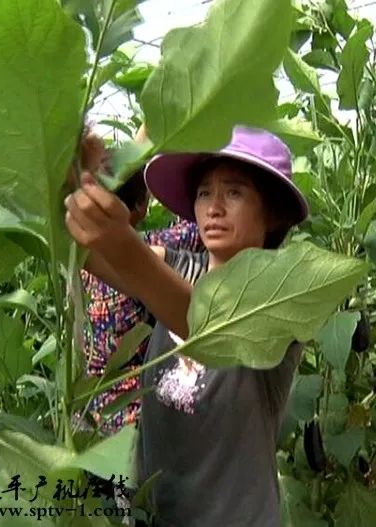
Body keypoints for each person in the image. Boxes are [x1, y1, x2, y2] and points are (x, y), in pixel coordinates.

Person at [64, 125, 310, 526]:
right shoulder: (175, 265)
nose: (214, 207)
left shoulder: (285, 295)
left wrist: (123, 242)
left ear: (274, 213)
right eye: (204, 192)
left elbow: (209, 327)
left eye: (234, 192)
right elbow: (83, 249)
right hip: (155, 514)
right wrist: (79, 180)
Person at [77, 140, 203, 436]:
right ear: (141, 206)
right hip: (132, 421)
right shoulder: (151, 251)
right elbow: (200, 222)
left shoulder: (85, 256)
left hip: (88, 410)